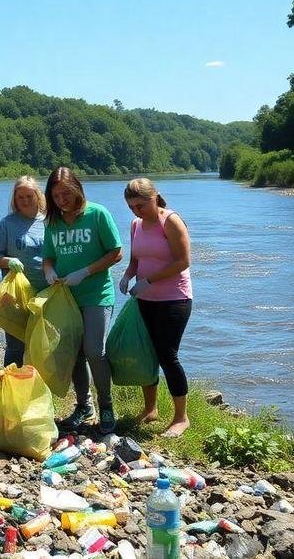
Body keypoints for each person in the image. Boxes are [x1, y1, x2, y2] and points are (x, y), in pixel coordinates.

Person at [42, 166, 124, 437]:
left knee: (94, 350)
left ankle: (106, 405)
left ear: (77, 188)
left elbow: (116, 252)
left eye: (66, 193)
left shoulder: (97, 214)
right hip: (67, 298)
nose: (62, 200)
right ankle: (83, 405)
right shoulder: (53, 222)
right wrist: (49, 271)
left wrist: (86, 271)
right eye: (56, 196)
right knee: (75, 353)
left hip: (96, 293)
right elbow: (48, 256)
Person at [120, 178, 194, 437]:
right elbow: (135, 261)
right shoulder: (135, 225)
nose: (136, 211)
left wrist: (149, 280)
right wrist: (128, 276)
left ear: (155, 198)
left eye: (140, 205)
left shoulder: (170, 220)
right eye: (131, 207)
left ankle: (181, 417)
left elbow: (183, 261)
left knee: (167, 355)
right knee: (147, 353)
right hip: (145, 299)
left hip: (175, 298)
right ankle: (151, 409)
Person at [0, 176, 48, 367]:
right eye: (20, 197)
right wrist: (9, 260)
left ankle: (36, 391)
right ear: (14, 199)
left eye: (29, 196)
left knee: (41, 346)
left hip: (45, 295)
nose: (25, 200)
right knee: (15, 347)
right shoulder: (7, 224)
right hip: (16, 298)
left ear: (38, 196)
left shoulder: (49, 221)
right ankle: (11, 389)